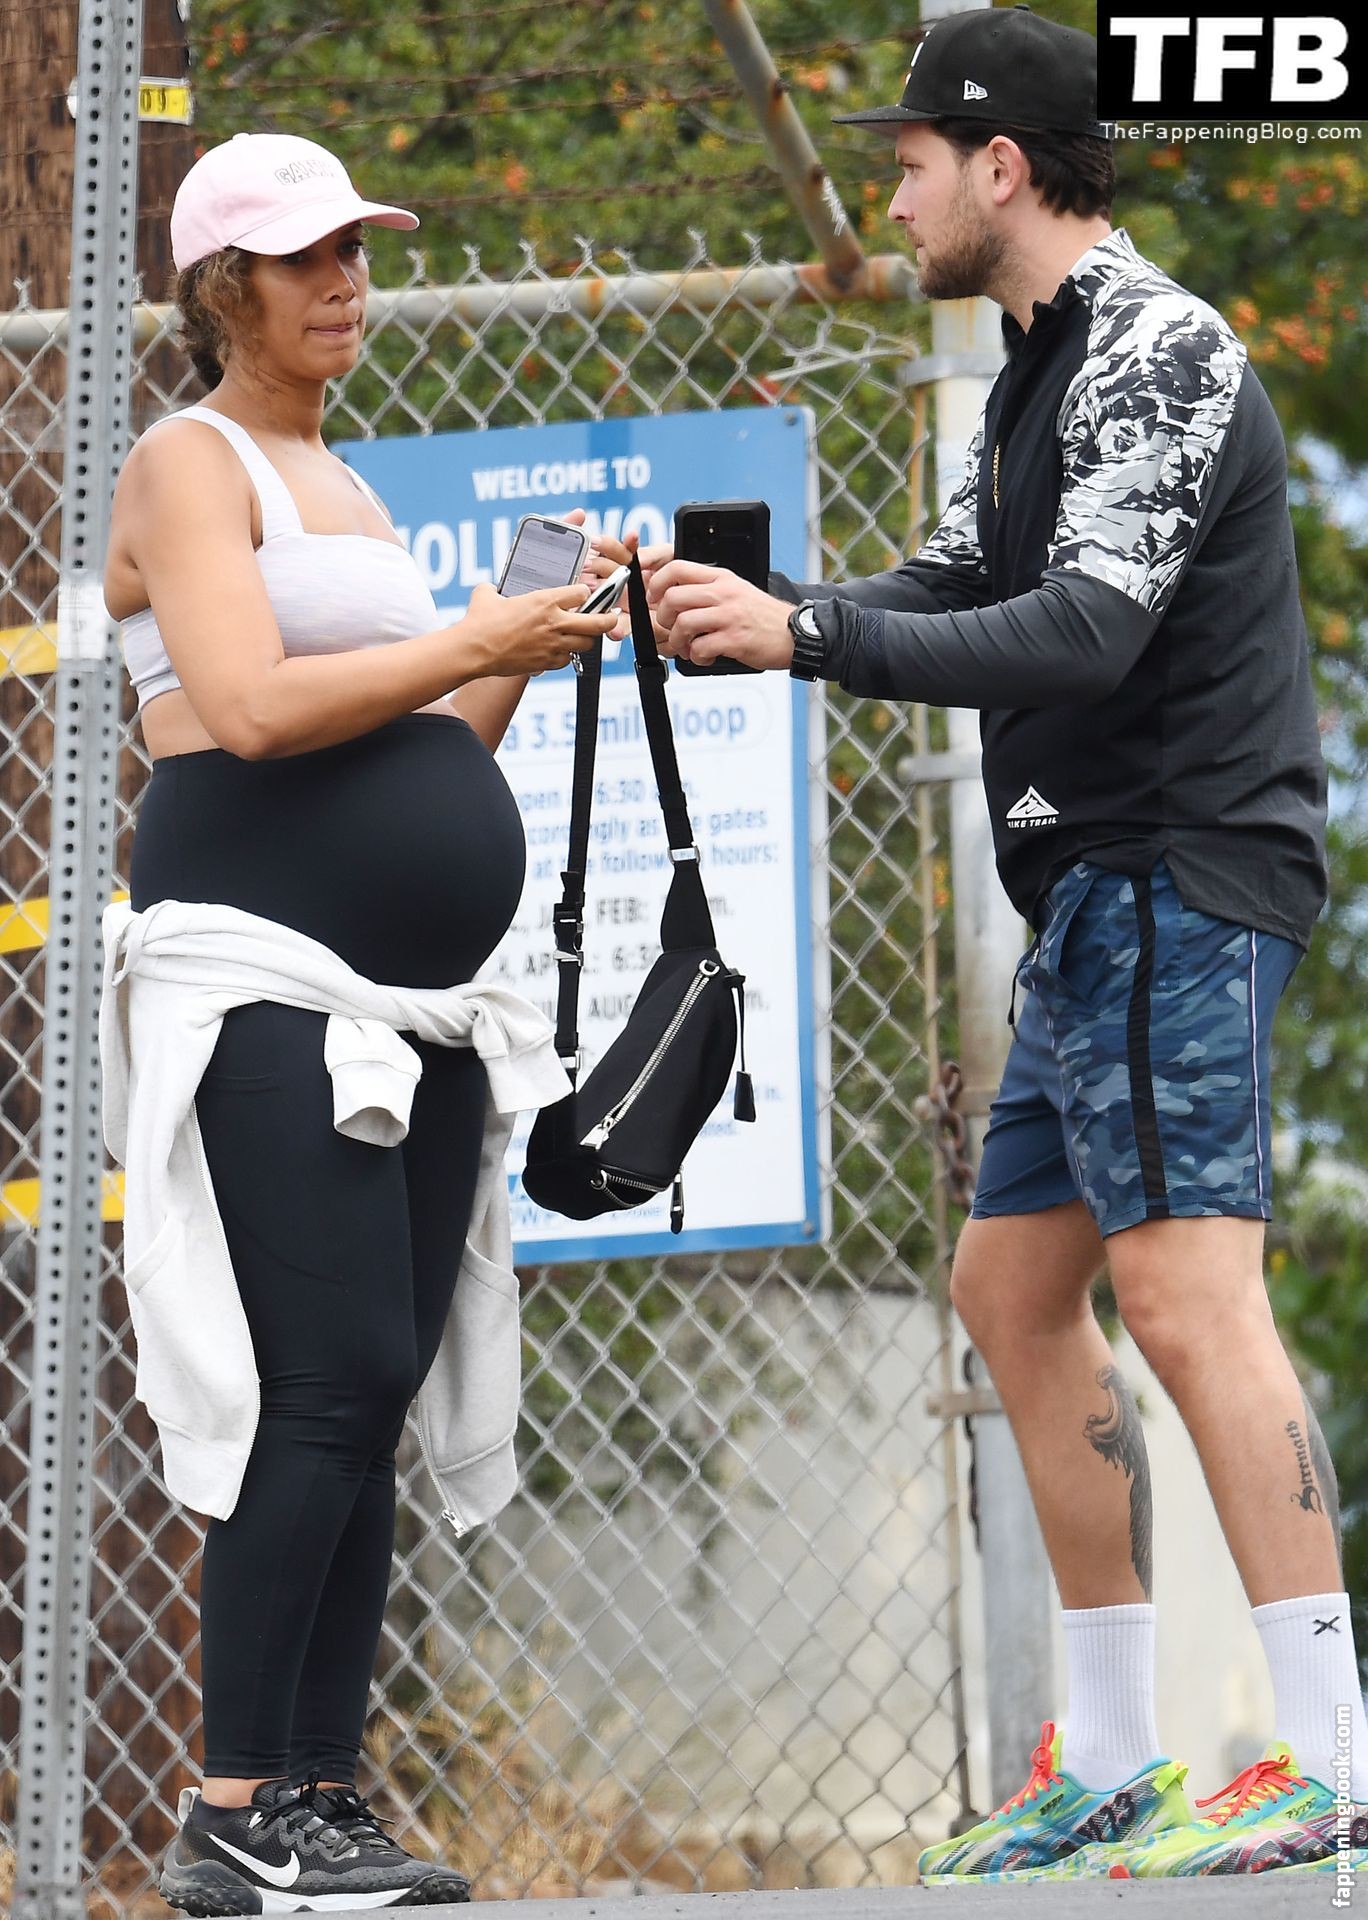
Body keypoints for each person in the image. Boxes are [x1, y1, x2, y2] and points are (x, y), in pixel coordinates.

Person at [641, 4, 1368, 1885]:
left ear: (1001, 164)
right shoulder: (1039, 363)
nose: (891, 201)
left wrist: (808, 639)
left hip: (1179, 871)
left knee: (1189, 1299)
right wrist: (761, 607)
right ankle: (1111, 1764)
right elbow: (969, 580)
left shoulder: (1157, 348)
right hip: (1089, 896)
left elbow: (1083, 634)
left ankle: (1338, 1764)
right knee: (1011, 1293)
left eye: (907, 167)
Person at [101, 132, 620, 1913]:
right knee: (317, 1380)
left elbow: (416, 748)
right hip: (266, 975)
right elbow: (248, 708)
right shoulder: (189, 460)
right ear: (222, 286)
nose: (346, 283)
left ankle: (317, 1798)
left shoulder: (345, 479)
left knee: (375, 1380)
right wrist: (464, 639)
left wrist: (518, 652)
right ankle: (232, 1803)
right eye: (308, 256)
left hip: (408, 1000)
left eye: (359, 253)